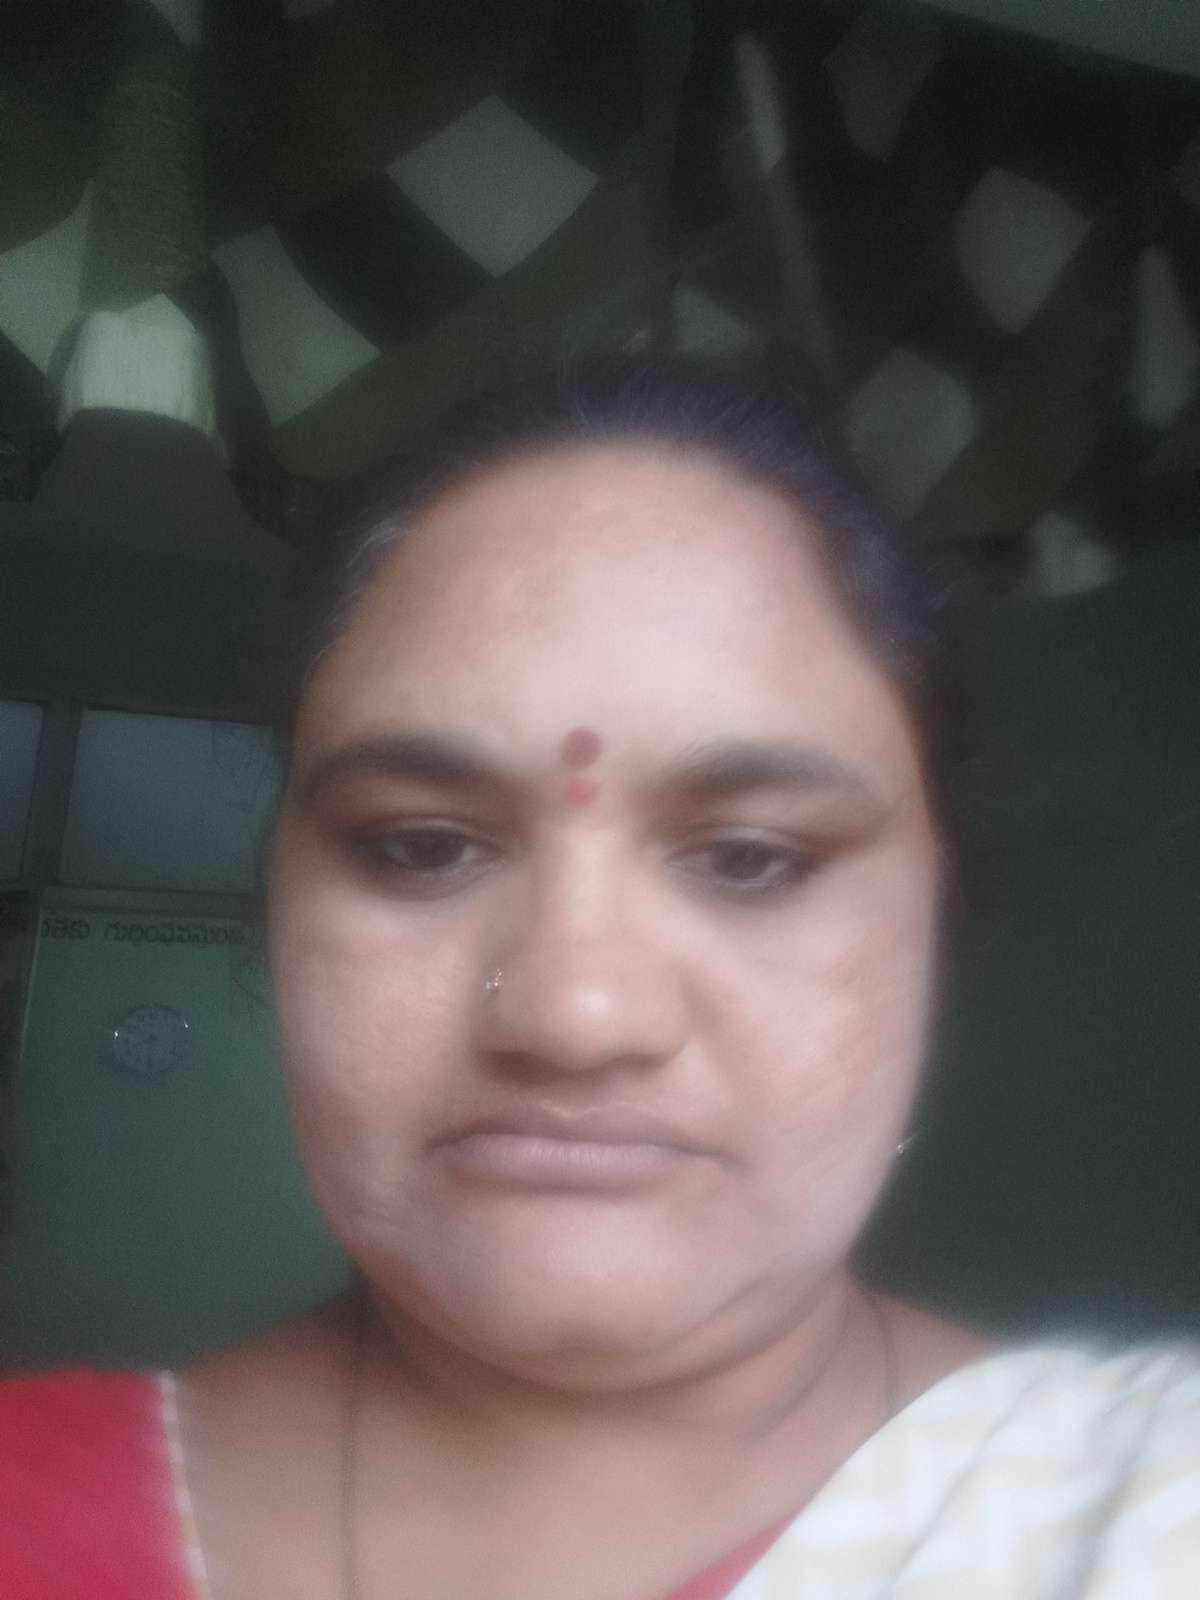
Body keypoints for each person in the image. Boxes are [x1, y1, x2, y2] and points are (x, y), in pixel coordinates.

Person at [2, 351, 1197, 1598]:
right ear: (276, 907)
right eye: (422, 845)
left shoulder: (1141, 1517)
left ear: (934, 932)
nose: (576, 1016)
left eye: (750, 857)